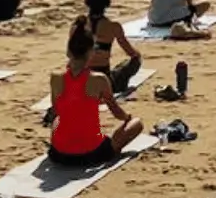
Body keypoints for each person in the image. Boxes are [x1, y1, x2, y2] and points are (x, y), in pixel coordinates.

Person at [48, 17, 147, 168]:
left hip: (59, 154)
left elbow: (57, 111)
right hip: (91, 153)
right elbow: (117, 112)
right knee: (137, 124)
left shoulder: (55, 78)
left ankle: (67, 142)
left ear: (68, 51)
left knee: (58, 120)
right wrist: (128, 118)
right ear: (91, 52)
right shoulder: (99, 79)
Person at [81, 0, 144, 94]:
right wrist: (137, 54)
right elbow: (130, 52)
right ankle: (121, 86)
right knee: (134, 61)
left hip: (82, 78)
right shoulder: (113, 26)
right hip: (103, 79)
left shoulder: (78, 26)